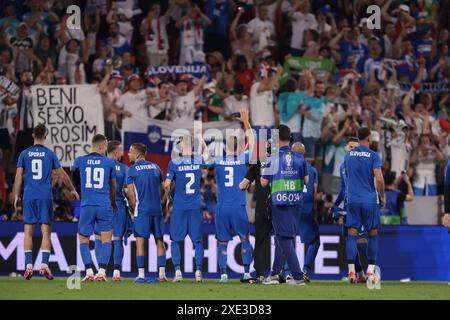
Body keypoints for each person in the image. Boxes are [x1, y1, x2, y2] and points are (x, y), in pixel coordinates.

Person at [13, 124, 79, 280]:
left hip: (29, 195)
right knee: (46, 232)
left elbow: (18, 176)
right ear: (46, 135)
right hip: (45, 196)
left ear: (33, 135)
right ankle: (43, 265)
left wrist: (16, 196)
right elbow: (61, 174)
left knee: (28, 231)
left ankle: (28, 266)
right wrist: (72, 189)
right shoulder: (50, 154)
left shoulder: (24, 153)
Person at [209, 109, 254, 283]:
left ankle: (223, 274)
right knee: (244, 239)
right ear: (241, 147)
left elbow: (203, 162)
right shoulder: (244, 158)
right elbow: (253, 141)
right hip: (238, 206)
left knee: (222, 242)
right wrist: (246, 122)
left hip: (222, 207)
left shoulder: (217, 160)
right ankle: (246, 273)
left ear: (225, 148)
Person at [261, 124, 309, 285]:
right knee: (283, 237)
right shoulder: (300, 158)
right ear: (290, 138)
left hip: (279, 201)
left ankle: (297, 276)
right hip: (296, 202)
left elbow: (263, 182)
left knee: (284, 239)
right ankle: (275, 274)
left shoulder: (272, 158)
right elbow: (306, 180)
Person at [72, 134, 117, 282]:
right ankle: (102, 272)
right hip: (104, 204)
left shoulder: (80, 161)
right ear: (101, 146)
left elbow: (75, 178)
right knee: (106, 240)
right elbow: (112, 185)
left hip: (87, 205)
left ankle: (89, 272)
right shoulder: (109, 163)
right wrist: (113, 203)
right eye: (105, 146)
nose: (106, 149)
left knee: (83, 239)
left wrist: (80, 191)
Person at [164, 134, 208, 283]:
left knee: (176, 240)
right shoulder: (198, 160)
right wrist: (202, 141)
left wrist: (169, 197)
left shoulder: (174, 163)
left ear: (181, 147)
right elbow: (207, 156)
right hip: (195, 206)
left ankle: (177, 272)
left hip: (180, 207)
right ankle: (198, 273)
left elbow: (166, 184)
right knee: (198, 241)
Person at [344, 127, 385, 286]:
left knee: (352, 236)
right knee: (372, 235)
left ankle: (352, 272)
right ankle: (370, 271)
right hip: (369, 200)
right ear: (369, 139)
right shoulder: (374, 156)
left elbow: (346, 173)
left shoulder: (348, 155)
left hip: (353, 200)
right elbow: (379, 179)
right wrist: (381, 196)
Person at [126, 143, 167, 283]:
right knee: (159, 241)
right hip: (157, 210)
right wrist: (160, 204)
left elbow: (131, 196)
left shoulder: (131, 171)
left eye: (130, 152)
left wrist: (132, 212)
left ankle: (141, 275)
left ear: (137, 154)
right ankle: (162, 275)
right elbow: (163, 191)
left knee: (140, 242)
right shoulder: (156, 167)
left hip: (142, 211)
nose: (128, 154)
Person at [333, 136, 368, 283]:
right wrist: (336, 206)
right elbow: (343, 189)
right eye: (350, 147)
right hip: (348, 205)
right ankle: (358, 274)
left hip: (360, 205)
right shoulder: (342, 166)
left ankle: (364, 271)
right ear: (346, 148)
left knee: (359, 240)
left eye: (355, 147)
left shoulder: (362, 165)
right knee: (350, 240)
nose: (352, 150)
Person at [239, 139, 272, 283]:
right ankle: (282, 273)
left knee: (260, 241)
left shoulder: (257, 164)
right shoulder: (279, 163)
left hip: (261, 207)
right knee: (283, 240)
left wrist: (248, 184)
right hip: (278, 205)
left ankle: (259, 274)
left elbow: (242, 185)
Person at [290, 142, 320, 283]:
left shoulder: (286, 167)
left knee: (286, 240)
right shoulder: (312, 170)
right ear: (305, 154)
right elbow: (314, 193)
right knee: (314, 241)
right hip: (306, 210)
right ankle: (305, 270)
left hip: (289, 207)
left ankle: (288, 272)